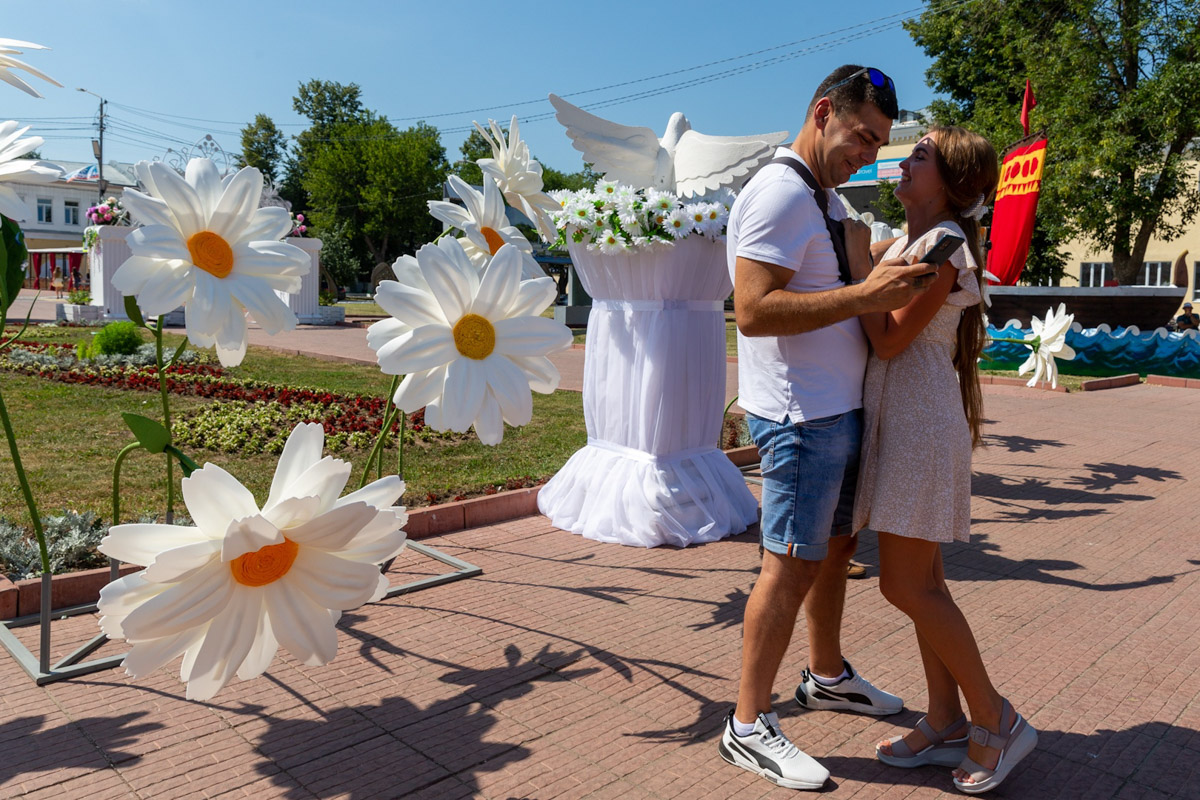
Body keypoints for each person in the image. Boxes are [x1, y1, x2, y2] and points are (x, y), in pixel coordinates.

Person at [717, 64, 938, 791]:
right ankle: (748, 723)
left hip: (832, 411)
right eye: (860, 136)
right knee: (788, 564)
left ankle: (826, 674)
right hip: (799, 419)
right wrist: (865, 295)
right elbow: (753, 311)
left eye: (879, 142)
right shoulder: (781, 193)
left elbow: (825, 284)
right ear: (822, 113)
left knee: (833, 551)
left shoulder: (822, 197)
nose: (868, 153)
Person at [853, 126, 1038, 794]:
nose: (905, 162)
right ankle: (945, 719)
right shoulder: (911, 242)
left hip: (918, 424)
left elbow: (890, 340)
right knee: (924, 584)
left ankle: (996, 717)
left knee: (904, 586)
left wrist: (857, 272)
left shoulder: (945, 245)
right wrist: (863, 259)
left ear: (954, 182)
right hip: (904, 419)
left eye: (921, 155)